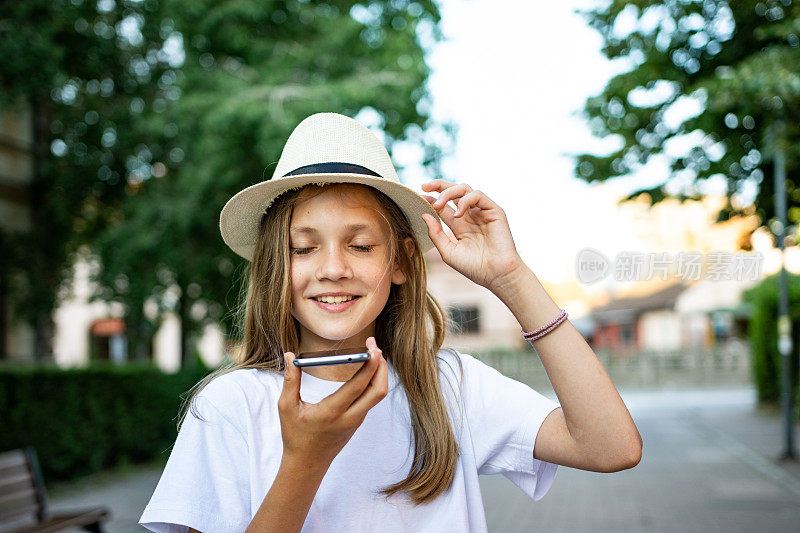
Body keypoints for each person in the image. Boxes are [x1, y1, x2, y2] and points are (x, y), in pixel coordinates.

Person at [138, 112, 642, 533]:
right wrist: (305, 460)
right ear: (275, 264)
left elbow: (611, 447)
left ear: (400, 262)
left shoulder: (450, 387)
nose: (333, 267)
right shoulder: (230, 406)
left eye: (360, 245)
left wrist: (511, 278)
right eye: (303, 247)